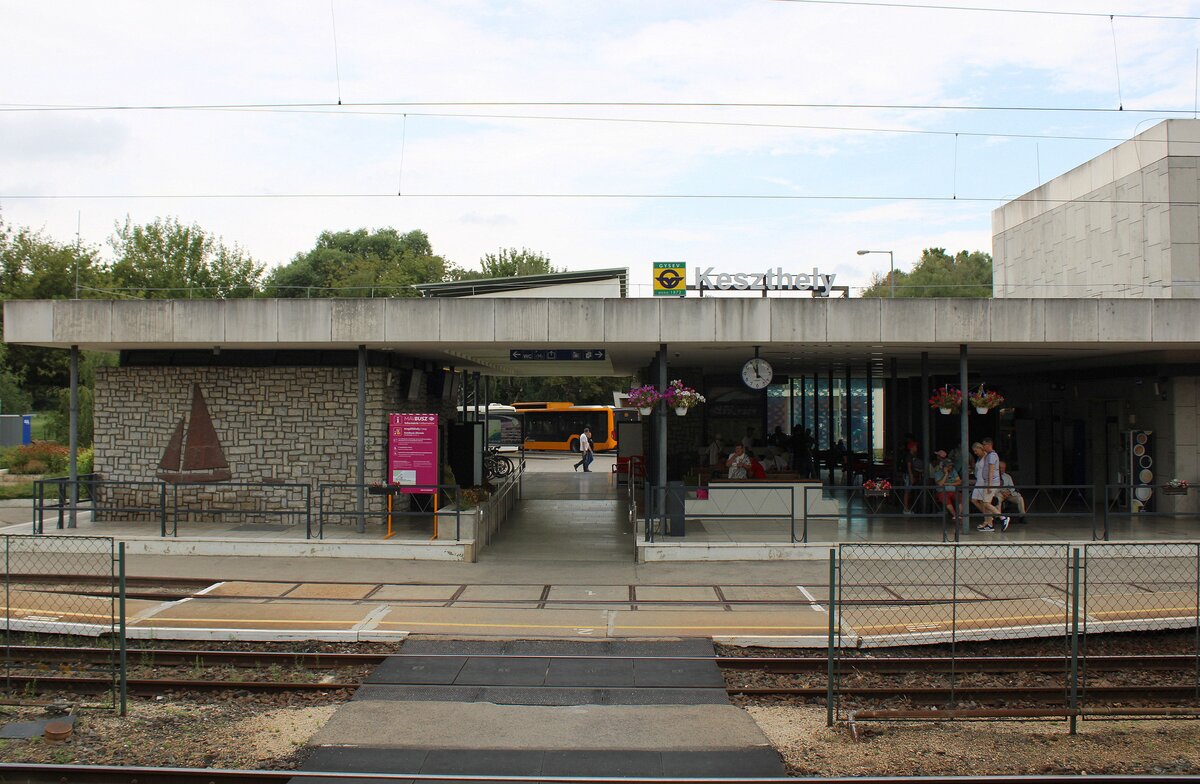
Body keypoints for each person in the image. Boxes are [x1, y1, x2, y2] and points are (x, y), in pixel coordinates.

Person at [971, 441, 1002, 531]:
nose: (975, 453)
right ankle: (989, 518)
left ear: (981, 448)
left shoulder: (987, 456)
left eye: (976, 450)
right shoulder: (979, 458)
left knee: (983, 502)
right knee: (975, 500)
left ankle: (989, 520)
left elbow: (991, 470)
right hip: (979, 481)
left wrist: (989, 484)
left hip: (983, 481)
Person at [929, 449, 961, 521]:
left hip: (953, 490)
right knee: (945, 498)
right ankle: (955, 515)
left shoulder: (953, 470)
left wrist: (948, 483)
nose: (950, 467)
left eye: (951, 466)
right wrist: (946, 474)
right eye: (948, 466)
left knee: (961, 498)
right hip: (942, 491)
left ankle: (959, 515)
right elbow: (940, 484)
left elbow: (959, 482)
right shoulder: (938, 471)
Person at [901, 440, 924, 514]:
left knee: (909, 491)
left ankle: (907, 508)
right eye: (915, 446)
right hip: (908, 475)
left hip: (909, 475)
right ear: (912, 448)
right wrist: (911, 477)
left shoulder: (912, 456)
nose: (916, 448)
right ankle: (905, 509)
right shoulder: (909, 456)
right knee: (907, 491)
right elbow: (909, 467)